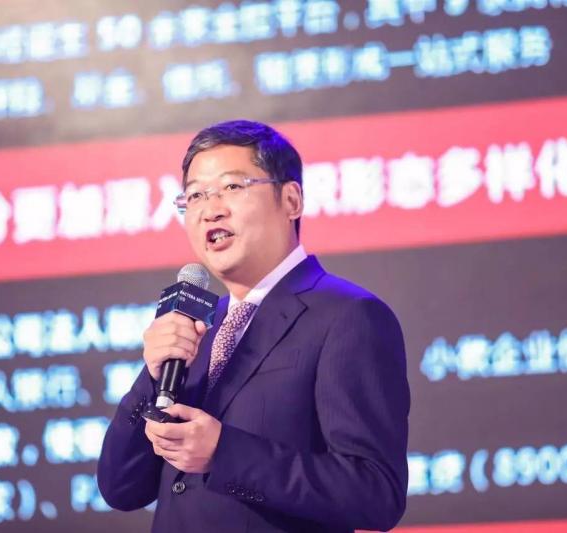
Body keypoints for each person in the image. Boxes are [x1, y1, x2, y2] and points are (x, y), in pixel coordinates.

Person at [97, 120, 410, 532]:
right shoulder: (197, 329)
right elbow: (121, 488)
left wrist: (224, 453)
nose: (210, 209)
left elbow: (375, 494)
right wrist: (154, 378)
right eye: (195, 195)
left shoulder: (349, 317)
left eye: (232, 187)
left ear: (291, 200)